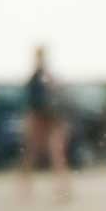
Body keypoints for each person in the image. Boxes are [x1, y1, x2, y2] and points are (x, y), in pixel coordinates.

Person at [19, 46, 72, 201]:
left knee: (52, 153)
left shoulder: (43, 77)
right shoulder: (40, 77)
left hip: (48, 118)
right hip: (41, 118)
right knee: (38, 153)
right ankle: (59, 188)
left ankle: (62, 188)